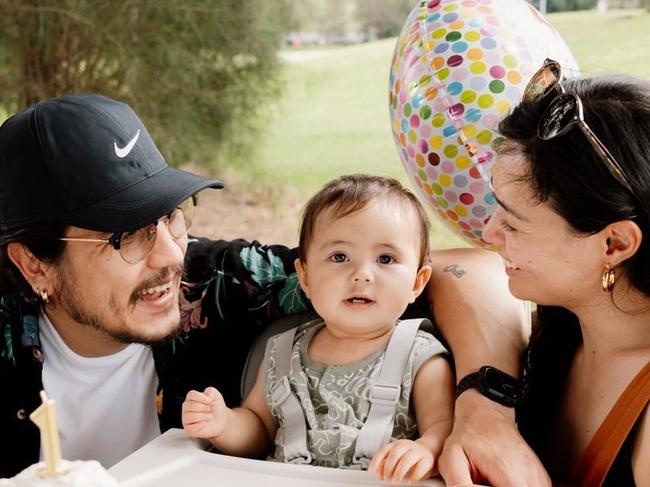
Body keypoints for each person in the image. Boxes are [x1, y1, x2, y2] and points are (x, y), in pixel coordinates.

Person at [0, 93, 532, 481]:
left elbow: (475, 273)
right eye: (125, 236)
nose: (169, 255)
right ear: (34, 264)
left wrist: (485, 411)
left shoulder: (220, 281)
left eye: (171, 217)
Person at [182, 175, 454, 483]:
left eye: (386, 258)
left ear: (417, 282)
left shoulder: (420, 358)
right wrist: (224, 424)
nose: (362, 274)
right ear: (305, 277)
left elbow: (446, 428)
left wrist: (426, 451)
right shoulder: (282, 352)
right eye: (340, 257)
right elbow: (258, 429)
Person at [475, 62, 650, 486]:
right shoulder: (564, 322)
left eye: (513, 223)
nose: (488, 232)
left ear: (615, 245)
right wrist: (481, 408)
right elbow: (457, 270)